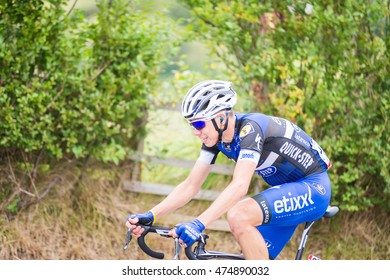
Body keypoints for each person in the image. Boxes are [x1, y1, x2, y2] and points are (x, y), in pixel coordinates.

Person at [126, 80, 332, 260]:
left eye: (199, 124)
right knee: (255, 261)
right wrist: (152, 215)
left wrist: (198, 224)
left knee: (239, 215)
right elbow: (191, 185)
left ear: (221, 118)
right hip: (286, 192)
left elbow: (240, 186)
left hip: (313, 188)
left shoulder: (250, 129)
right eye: (192, 125)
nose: (196, 133)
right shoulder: (215, 138)